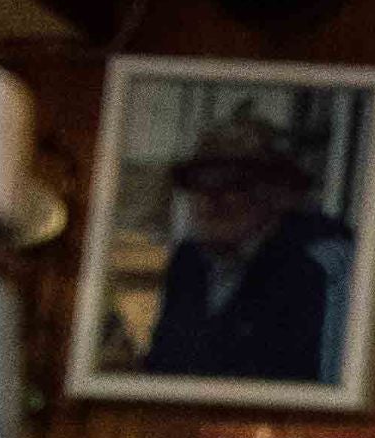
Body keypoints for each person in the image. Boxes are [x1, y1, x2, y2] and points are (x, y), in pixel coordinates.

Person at [137, 109, 355, 383]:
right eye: (198, 183)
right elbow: (163, 367)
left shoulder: (322, 267)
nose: (211, 200)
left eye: (234, 183)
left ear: (279, 192)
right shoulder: (188, 262)